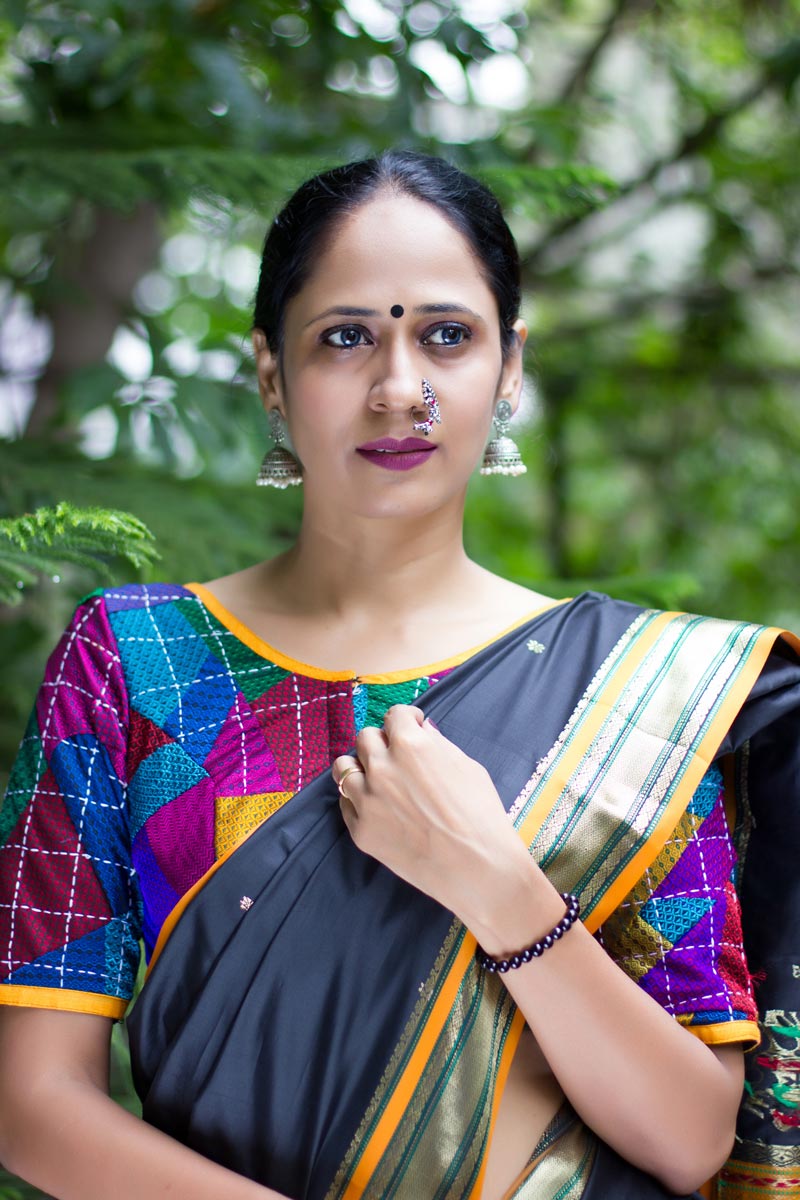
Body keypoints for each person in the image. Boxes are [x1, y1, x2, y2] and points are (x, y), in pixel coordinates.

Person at [0, 151, 797, 1200]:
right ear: (271, 373)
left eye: (446, 336)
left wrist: (499, 888)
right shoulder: (135, 659)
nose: (398, 389)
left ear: (508, 367)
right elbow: (33, 1105)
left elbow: (690, 1138)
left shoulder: (633, 693)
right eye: (345, 338)